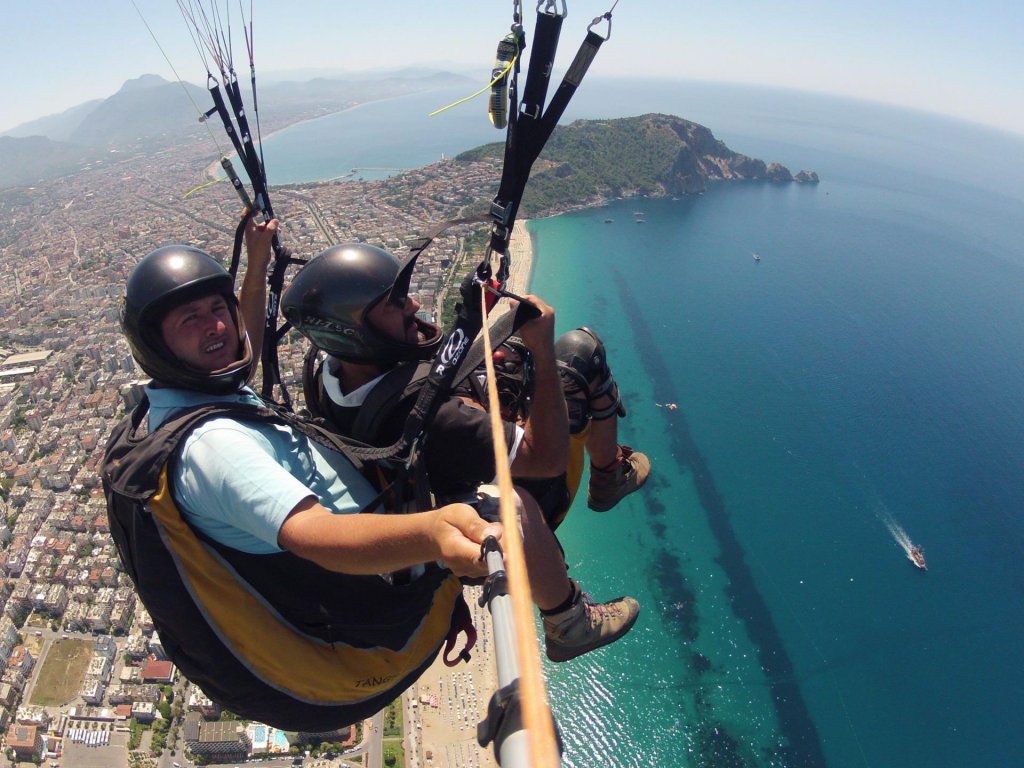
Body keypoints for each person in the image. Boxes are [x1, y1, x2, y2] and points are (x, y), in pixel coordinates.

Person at [102, 220, 503, 731]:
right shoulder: (213, 448)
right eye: (190, 320)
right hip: (369, 644)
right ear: (158, 345)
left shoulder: (182, 400)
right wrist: (436, 536)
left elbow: (238, 344)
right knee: (510, 501)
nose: (218, 328)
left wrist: (256, 268)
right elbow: (319, 536)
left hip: (346, 612)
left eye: (217, 310)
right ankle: (565, 616)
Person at [280, 243, 642, 662]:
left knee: (503, 361)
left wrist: (474, 317)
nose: (412, 303)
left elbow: (432, 369)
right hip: (493, 516)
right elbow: (546, 461)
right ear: (353, 331)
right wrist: (543, 351)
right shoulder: (432, 418)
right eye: (395, 302)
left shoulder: (325, 376)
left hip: (425, 492)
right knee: (581, 352)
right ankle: (570, 615)